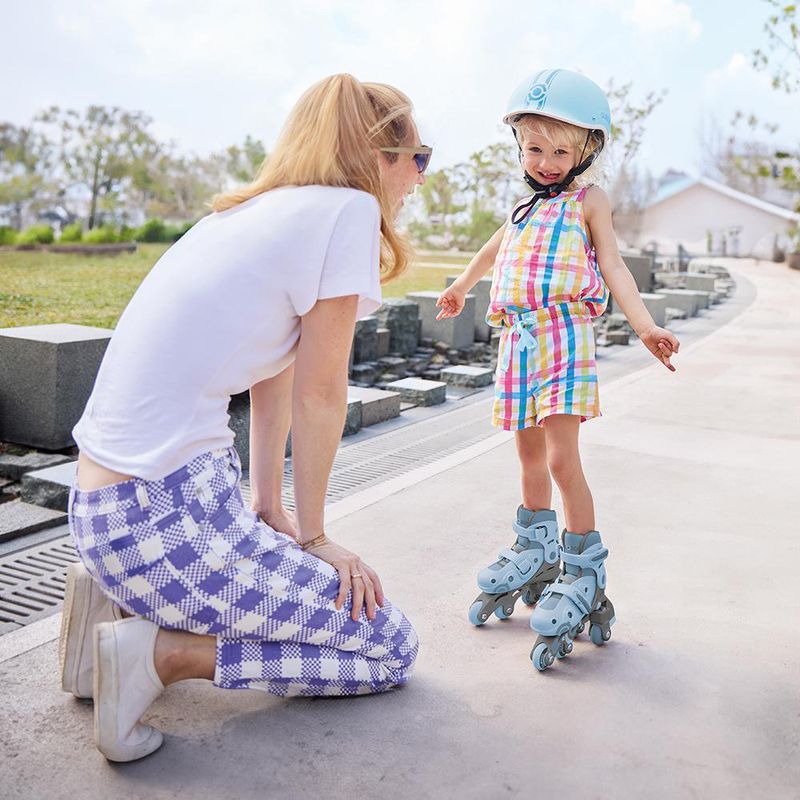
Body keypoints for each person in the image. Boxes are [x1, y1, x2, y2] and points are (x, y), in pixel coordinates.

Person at [60, 73, 431, 762]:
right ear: (374, 156)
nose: (419, 177)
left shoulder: (248, 214)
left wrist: (269, 505)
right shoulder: (347, 212)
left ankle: (106, 611)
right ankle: (159, 654)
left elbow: (275, 381)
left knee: (307, 592)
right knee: (388, 646)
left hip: (102, 513)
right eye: (417, 157)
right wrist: (317, 537)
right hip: (164, 521)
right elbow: (322, 393)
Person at [435, 68, 680, 671]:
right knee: (526, 458)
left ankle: (581, 565)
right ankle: (536, 547)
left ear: (585, 151)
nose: (546, 161)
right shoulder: (521, 208)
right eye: (535, 148)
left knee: (562, 459)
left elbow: (616, 268)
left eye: (560, 150)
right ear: (519, 147)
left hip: (563, 337)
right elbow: (494, 249)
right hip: (516, 342)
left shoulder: (587, 201)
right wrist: (462, 285)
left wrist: (645, 326)